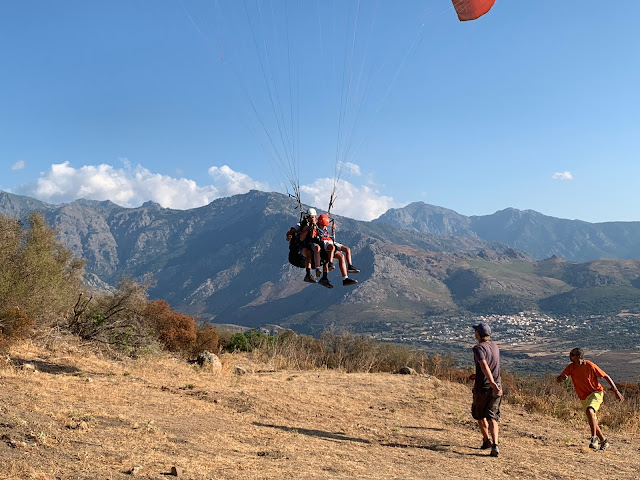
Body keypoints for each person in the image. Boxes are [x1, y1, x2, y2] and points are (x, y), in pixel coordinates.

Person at [556, 348, 624, 451]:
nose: (570, 356)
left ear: (579, 356)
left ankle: (593, 438)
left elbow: (605, 376)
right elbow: (558, 379)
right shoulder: (571, 367)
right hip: (583, 396)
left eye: (572, 354)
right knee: (592, 419)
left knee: (589, 411)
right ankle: (604, 441)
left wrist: (616, 391)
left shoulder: (590, 365)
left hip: (596, 393)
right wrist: (561, 378)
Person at [469, 322, 502, 457]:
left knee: (480, 414)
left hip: (483, 387)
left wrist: (491, 382)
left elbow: (484, 365)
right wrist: (494, 383)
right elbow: (493, 366)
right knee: (493, 417)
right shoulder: (495, 346)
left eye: (476, 331)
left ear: (478, 334)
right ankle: (495, 444)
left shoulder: (478, 348)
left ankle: (486, 440)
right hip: (497, 387)